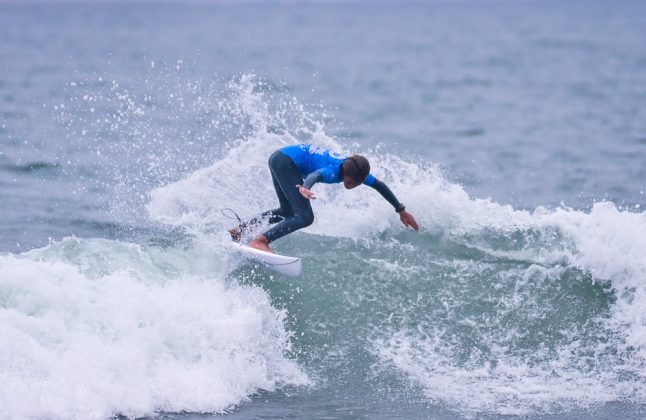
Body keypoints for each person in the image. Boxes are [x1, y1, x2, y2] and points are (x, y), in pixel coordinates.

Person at [229, 144, 419, 253]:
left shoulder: (356, 170)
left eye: (357, 184)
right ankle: (261, 241)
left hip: (279, 157)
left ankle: (241, 230)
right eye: (351, 183)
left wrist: (401, 210)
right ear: (345, 174)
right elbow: (316, 175)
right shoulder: (333, 171)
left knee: (287, 211)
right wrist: (305, 187)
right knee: (305, 217)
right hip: (286, 162)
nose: (352, 186)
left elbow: (379, 185)